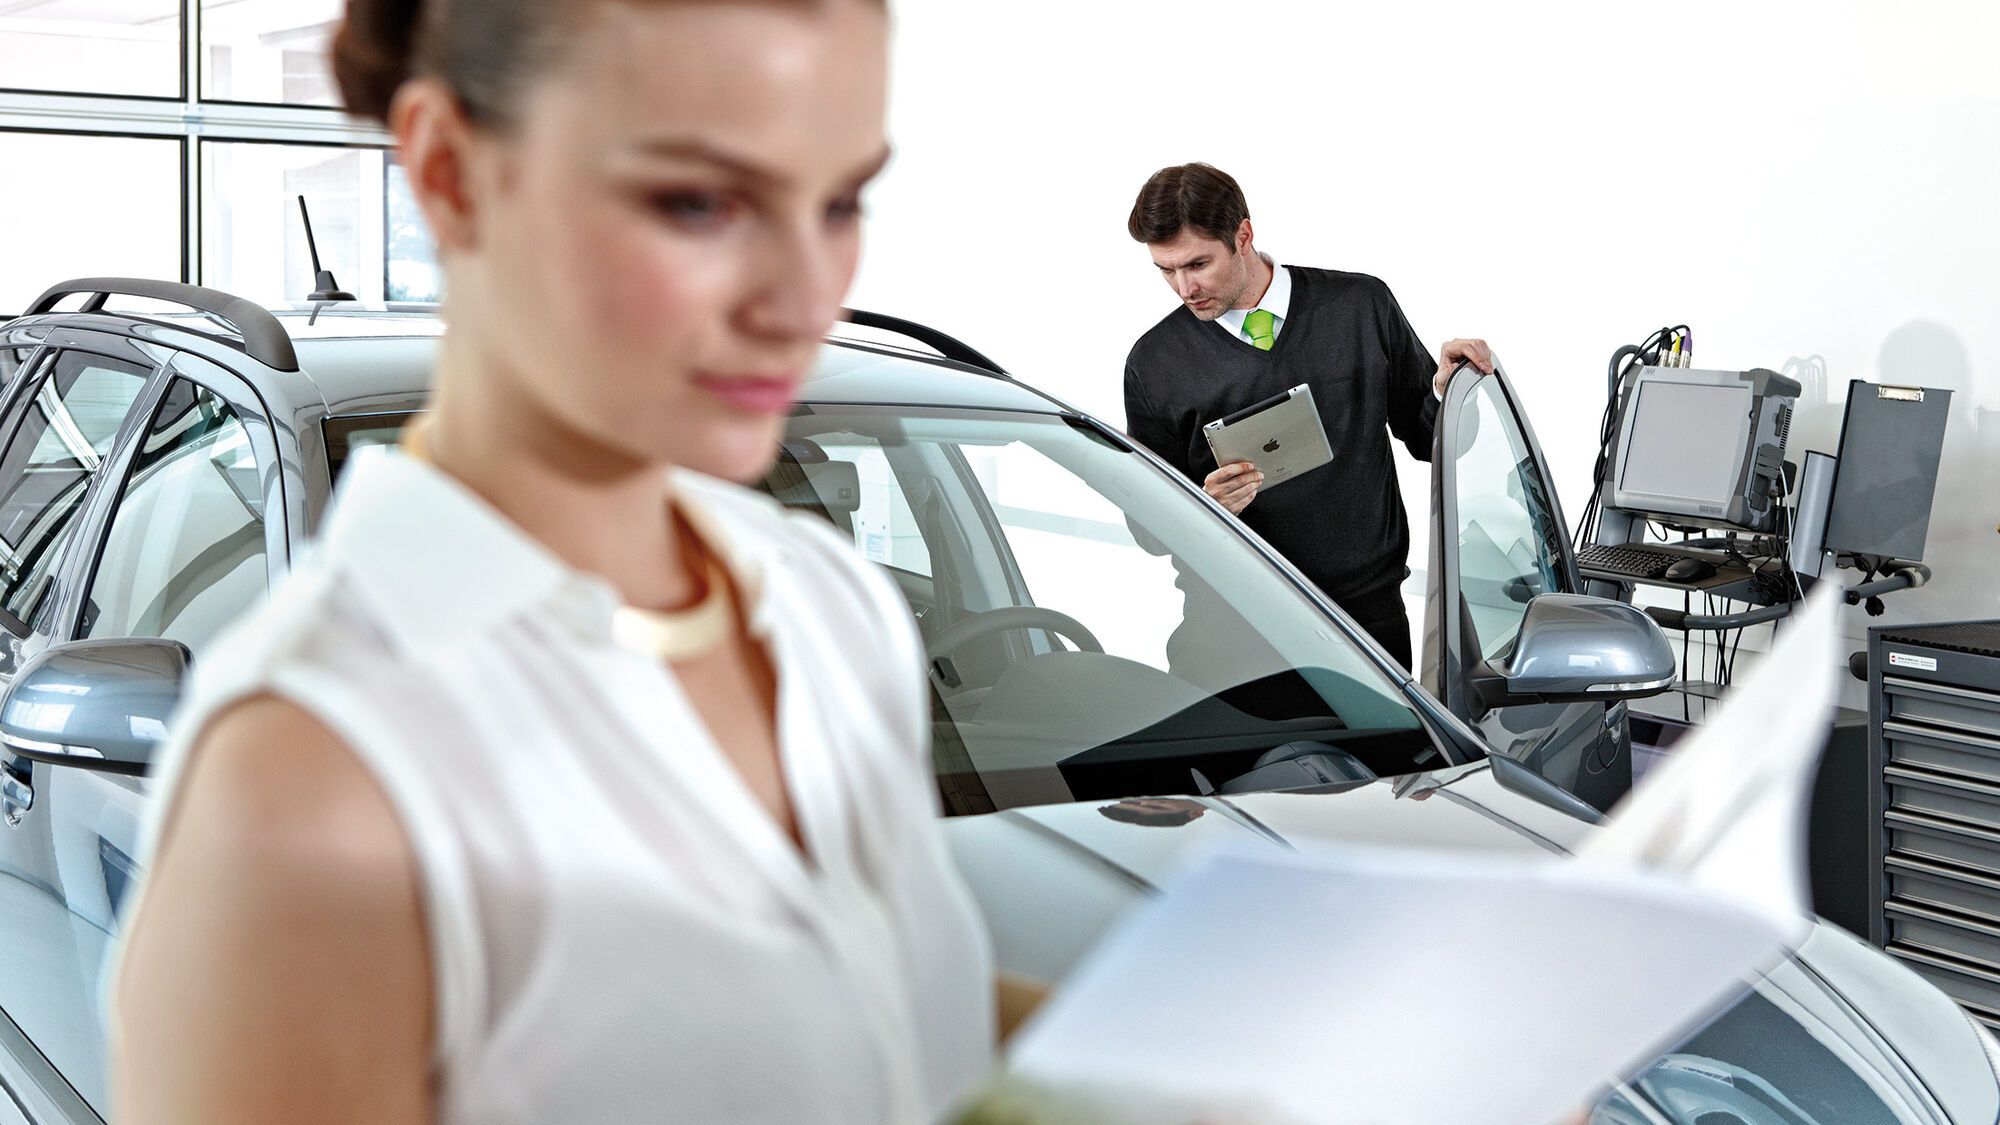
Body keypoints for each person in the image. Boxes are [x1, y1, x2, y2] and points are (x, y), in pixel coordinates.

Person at [109, 2, 1000, 1122]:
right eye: (699, 202)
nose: (802, 299)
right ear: (449, 172)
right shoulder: (312, 790)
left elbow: (871, 1019)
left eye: (839, 201)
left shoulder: (828, 607)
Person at [1122, 162, 1495, 670]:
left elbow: (1431, 439)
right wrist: (1202, 503)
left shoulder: (1360, 306)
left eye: (1197, 264)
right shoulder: (1154, 363)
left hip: (1365, 623)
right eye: (1167, 270)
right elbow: (1147, 530)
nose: (1184, 288)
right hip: (1232, 634)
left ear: (1244, 235)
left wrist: (1448, 390)